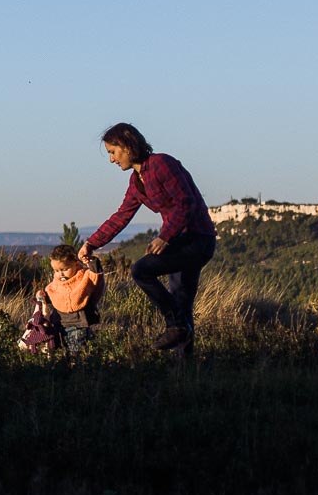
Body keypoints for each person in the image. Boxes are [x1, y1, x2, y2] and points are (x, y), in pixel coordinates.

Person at [78, 121, 216, 352]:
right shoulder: (136, 182)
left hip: (197, 240)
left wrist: (165, 237)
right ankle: (184, 369)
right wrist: (91, 243)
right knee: (181, 302)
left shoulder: (162, 164)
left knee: (141, 270)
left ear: (127, 145)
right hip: (179, 242)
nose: (112, 159)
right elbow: (121, 216)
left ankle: (175, 326)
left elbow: (186, 203)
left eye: (113, 152)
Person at [44, 244, 103, 353]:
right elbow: (51, 292)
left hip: (79, 326)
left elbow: (96, 275)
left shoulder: (84, 277)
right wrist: (42, 296)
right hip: (58, 326)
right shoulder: (56, 283)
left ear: (76, 264)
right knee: (59, 355)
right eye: (56, 271)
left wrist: (91, 261)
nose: (60, 273)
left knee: (77, 356)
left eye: (65, 269)